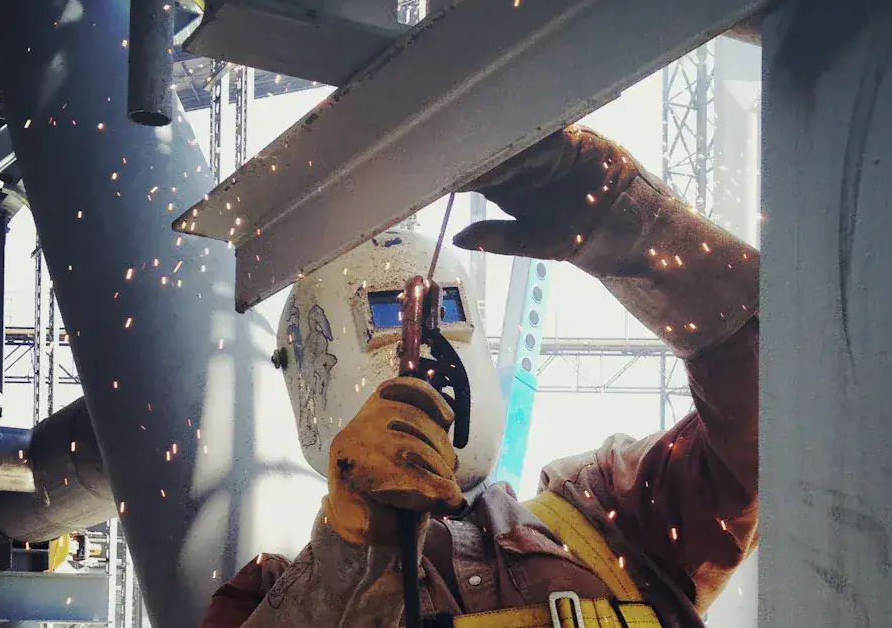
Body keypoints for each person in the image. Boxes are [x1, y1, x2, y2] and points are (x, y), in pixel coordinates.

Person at [199, 126, 760, 628]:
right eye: (387, 315)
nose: (420, 345)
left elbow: (778, 389)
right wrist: (351, 555)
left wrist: (629, 224)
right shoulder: (267, 601)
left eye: (441, 313)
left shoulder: (618, 519)